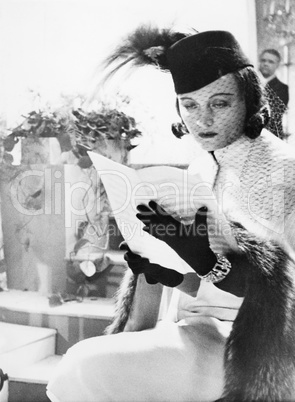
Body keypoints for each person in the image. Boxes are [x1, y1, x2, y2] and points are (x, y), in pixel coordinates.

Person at [46, 27, 295, 402]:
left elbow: (283, 291)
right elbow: (201, 288)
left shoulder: (285, 170)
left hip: (258, 349)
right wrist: (171, 272)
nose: (203, 120)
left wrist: (213, 264)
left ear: (248, 99)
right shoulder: (196, 171)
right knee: (79, 367)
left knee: (81, 369)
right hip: (194, 329)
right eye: (190, 105)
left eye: (220, 103)